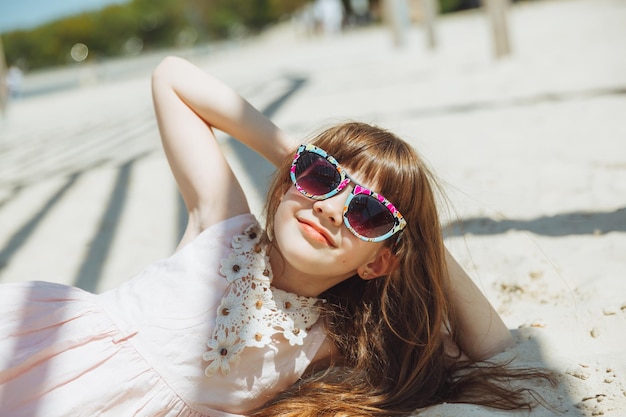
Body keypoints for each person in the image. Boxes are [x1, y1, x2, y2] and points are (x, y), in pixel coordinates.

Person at [0, 56, 552, 417]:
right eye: (321, 178)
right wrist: (295, 157)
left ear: (377, 264)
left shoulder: (330, 345)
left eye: (368, 214)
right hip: (41, 356)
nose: (333, 209)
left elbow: (494, 349)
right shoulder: (222, 224)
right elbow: (170, 77)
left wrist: (420, 246)